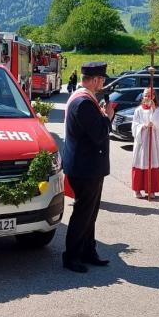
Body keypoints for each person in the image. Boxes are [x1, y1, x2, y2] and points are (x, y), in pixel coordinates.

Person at [62, 61, 114, 273]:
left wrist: (101, 116)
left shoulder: (83, 99)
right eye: (102, 79)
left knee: (89, 213)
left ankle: (88, 251)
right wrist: (107, 117)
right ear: (94, 80)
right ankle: (72, 256)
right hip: (86, 168)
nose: (103, 83)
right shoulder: (83, 102)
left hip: (86, 166)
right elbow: (99, 134)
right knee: (83, 213)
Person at [131, 88, 159, 199]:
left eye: (149, 95)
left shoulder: (158, 110)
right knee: (140, 163)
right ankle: (137, 190)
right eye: (145, 95)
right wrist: (143, 126)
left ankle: (151, 190)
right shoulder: (138, 110)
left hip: (153, 141)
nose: (147, 98)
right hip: (142, 140)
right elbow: (134, 126)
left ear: (154, 97)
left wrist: (154, 112)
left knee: (152, 163)